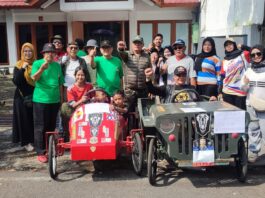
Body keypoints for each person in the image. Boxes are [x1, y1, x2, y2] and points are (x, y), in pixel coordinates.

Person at [31, 43, 64, 163]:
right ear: (43, 54)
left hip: (54, 100)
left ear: (55, 54)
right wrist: (41, 69)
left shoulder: (57, 65)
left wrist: (61, 99)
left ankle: (49, 148)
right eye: (48, 52)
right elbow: (34, 78)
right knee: (40, 126)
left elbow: (60, 83)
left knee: (51, 126)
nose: (50, 54)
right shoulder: (37, 63)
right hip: (41, 99)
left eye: (52, 52)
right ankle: (40, 151)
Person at [241, 45, 265, 163]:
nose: (256, 57)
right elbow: (243, 89)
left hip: (264, 105)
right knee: (253, 129)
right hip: (251, 104)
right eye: (253, 55)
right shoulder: (249, 70)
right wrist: (245, 83)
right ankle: (254, 153)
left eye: (259, 54)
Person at [12, 42, 36, 151]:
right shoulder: (18, 65)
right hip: (21, 97)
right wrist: (22, 69)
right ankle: (26, 142)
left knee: (33, 118)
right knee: (24, 119)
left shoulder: (36, 64)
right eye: (25, 51)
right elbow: (16, 81)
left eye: (30, 51)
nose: (28, 53)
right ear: (22, 52)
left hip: (34, 95)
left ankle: (34, 140)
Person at [118, 35, 152, 111]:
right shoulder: (127, 55)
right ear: (132, 45)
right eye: (135, 43)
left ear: (142, 45)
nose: (137, 45)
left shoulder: (147, 56)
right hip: (129, 91)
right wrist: (120, 48)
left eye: (139, 43)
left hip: (143, 90)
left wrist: (150, 89)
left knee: (143, 112)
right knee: (129, 112)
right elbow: (121, 53)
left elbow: (150, 71)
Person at [220, 38, 250, 110]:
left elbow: (255, 51)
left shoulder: (243, 55)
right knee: (229, 116)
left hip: (240, 91)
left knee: (241, 115)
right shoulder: (224, 60)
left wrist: (243, 46)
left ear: (234, 45)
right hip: (227, 91)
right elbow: (222, 76)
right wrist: (220, 92)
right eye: (226, 45)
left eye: (230, 44)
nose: (229, 46)